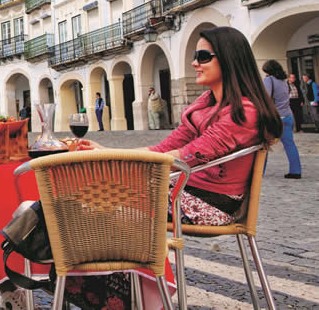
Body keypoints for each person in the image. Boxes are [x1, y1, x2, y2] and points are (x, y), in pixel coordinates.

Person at [82, 27, 282, 226]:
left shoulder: (244, 113)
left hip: (211, 203)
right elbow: (162, 149)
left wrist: (109, 160)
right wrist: (106, 151)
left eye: (203, 57)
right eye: (195, 56)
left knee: (97, 200)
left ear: (229, 59)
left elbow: (185, 155)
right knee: (86, 192)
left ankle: (144, 258)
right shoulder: (206, 105)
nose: (194, 62)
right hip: (184, 188)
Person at [264, 61, 301, 179]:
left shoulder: (269, 80)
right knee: (290, 144)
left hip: (274, 118)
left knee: (263, 145)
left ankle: (260, 171)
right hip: (287, 116)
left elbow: (265, 97)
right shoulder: (285, 82)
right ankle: (296, 171)